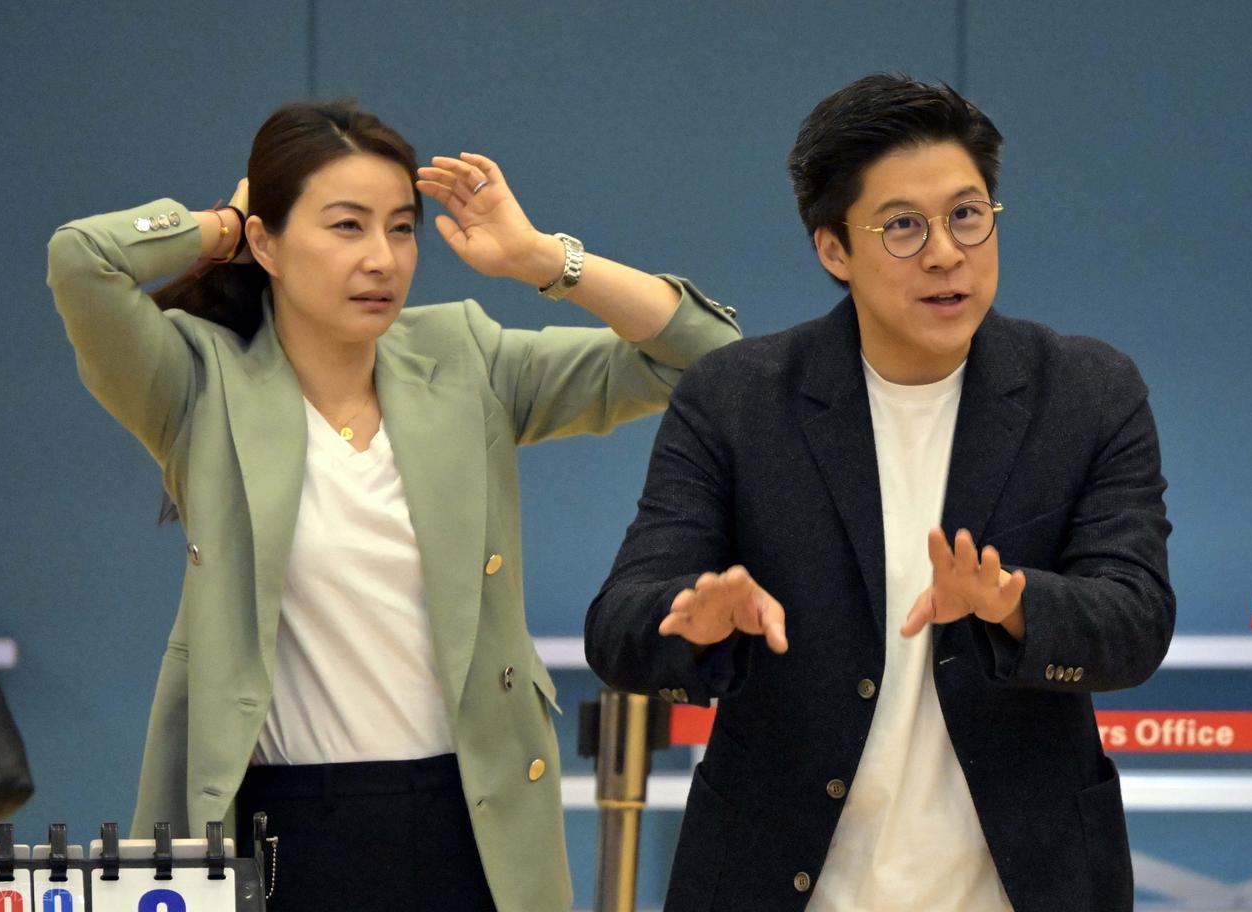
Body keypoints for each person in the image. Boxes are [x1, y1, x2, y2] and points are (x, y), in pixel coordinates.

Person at [46, 99, 739, 911]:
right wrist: (222, 225)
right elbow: (81, 260)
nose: (381, 258)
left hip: (470, 821)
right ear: (267, 243)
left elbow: (707, 359)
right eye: (347, 226)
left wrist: (541, 258)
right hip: (278, 830)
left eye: (402, 229)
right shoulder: (199, 383)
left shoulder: (464, 357)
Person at [585, 73, 1174, 912]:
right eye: (902, 226)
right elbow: (618, 625)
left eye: (966, 214)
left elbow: (1136, 622)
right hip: (782, 883)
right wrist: (693, 616)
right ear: (834, 249)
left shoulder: (1086, 392)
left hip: (1023, 886)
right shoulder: (738, 398)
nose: (945, 253)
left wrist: (1013, 603)